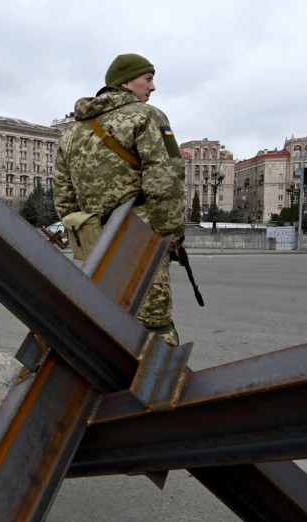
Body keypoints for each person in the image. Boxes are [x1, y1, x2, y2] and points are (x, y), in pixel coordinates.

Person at [53, 53, 186, 346]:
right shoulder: (147, 116)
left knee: (103, 321)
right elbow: (165, 182)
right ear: (126, 82)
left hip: (95, 243)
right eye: (148, 79)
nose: (152, 88)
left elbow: (63, 199)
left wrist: (88, 233)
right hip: (141, 237)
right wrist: (170, 237)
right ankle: (154, 389)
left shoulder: (73, 132)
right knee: (152, 325)